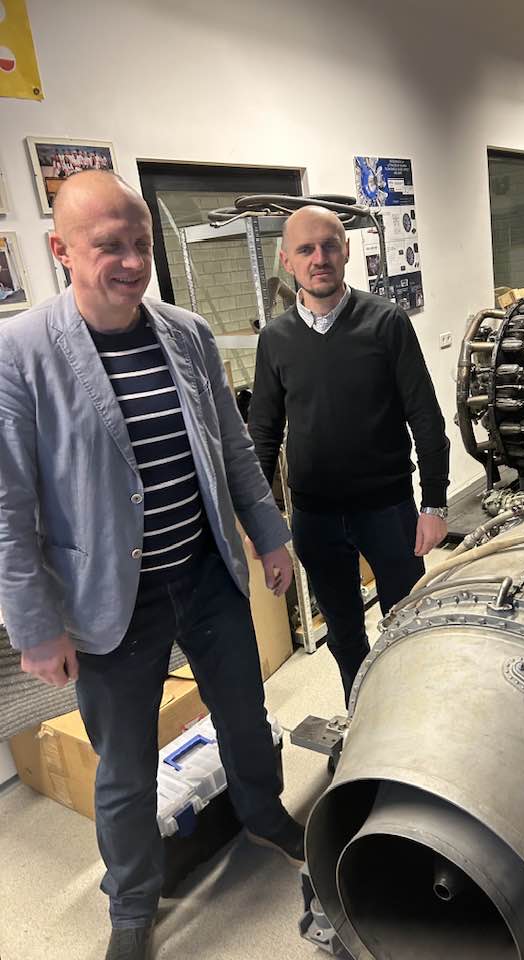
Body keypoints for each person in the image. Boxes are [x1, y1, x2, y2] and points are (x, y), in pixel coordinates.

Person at [0, 170, 303, 960]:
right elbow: (7, 506)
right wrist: (34, 627)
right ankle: (132, 902)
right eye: (111, 246)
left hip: (204, 574)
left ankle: (264, 813)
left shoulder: (186, 332)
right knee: (125, 768)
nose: (133, 262)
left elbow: (232, 447)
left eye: (141, 243)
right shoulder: (19, 353)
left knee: (244, 715)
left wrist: (269, 534)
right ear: (62, 250)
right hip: (109, 600)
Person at [250, 206, 450, 706]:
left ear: (345, 251)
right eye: (305, 249)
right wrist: (262, 525)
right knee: (343, 633)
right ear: (287, 261)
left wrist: (434, 503)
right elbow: (263, 434)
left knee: (407, 622)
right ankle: (362, 718)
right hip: (315, 517)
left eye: (329, 246)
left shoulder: (386, 322)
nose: (319, 258)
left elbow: (425, 416)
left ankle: (411, 720)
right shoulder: (275, 339)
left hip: (388, 510)